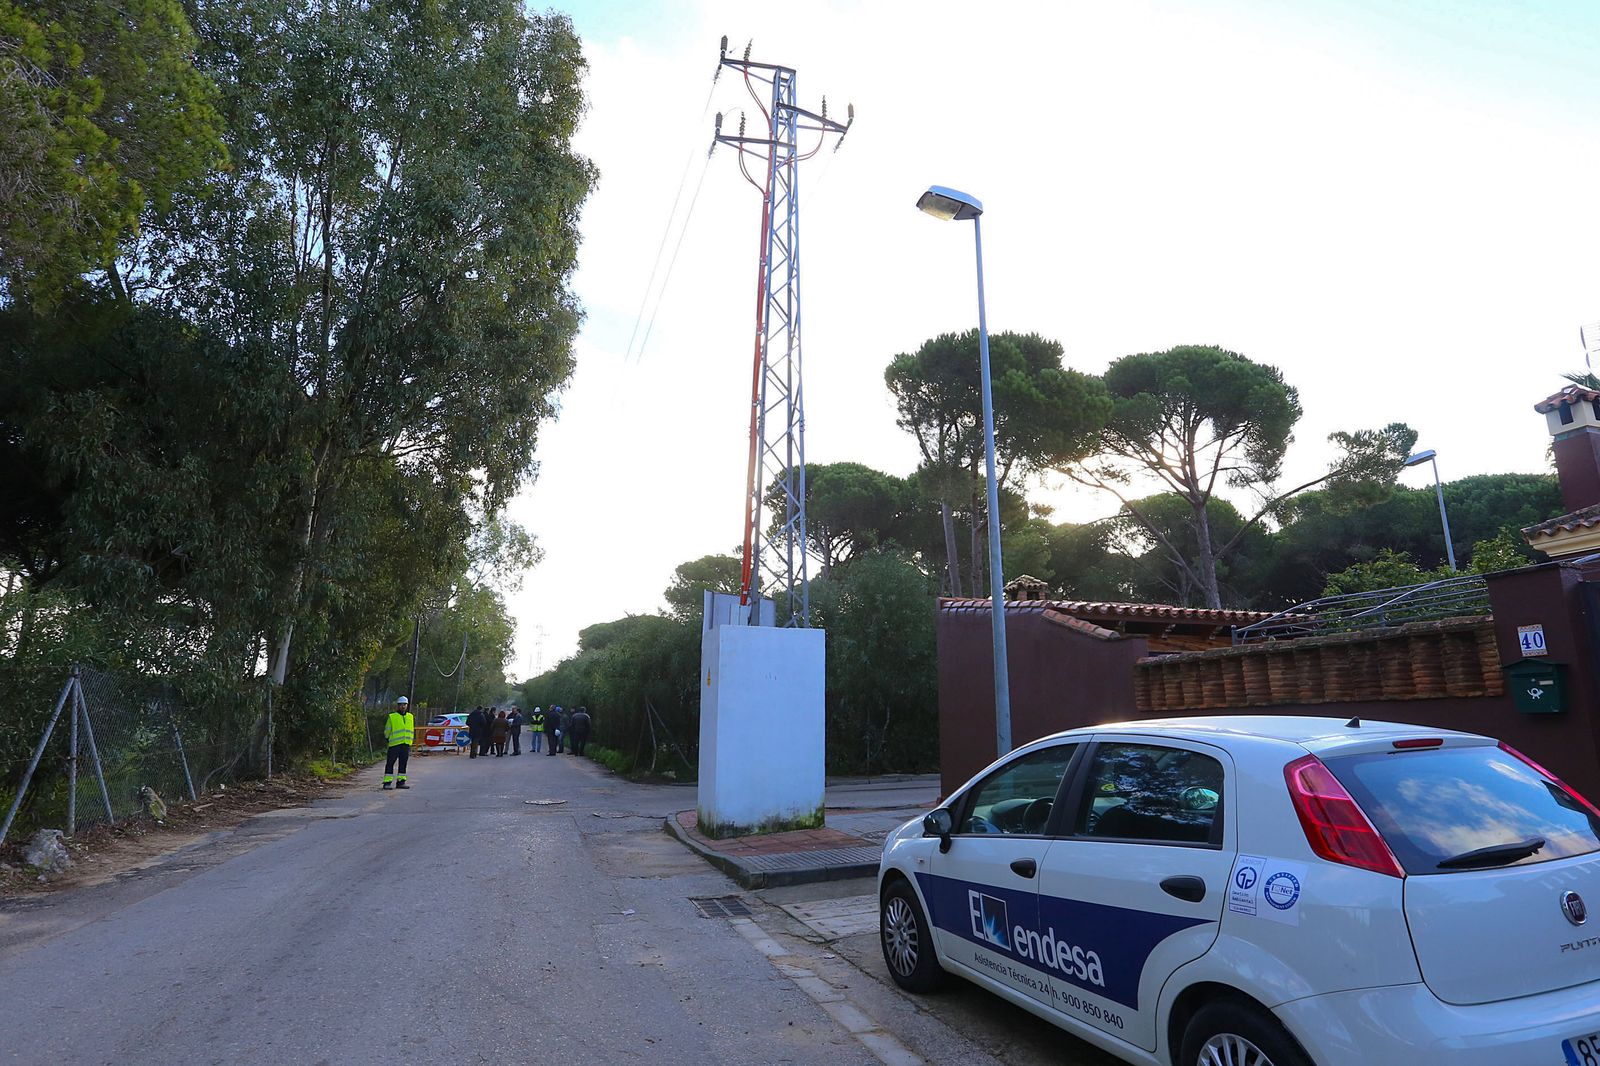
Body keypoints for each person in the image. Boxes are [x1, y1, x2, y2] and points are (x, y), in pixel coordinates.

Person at [382, 696, 414, 790]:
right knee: (390, 763)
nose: (403, 706)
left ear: (407, 705)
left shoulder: (410, 717)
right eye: (401, 705)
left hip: (406, 744)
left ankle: (401, 782)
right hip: (394, 744)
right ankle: (387, 782)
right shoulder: (392, 717)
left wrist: (410, 741)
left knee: (403, 763)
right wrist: (388, 738)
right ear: (398, 706)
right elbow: (387, 730)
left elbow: (411, 729)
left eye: (405, 705)